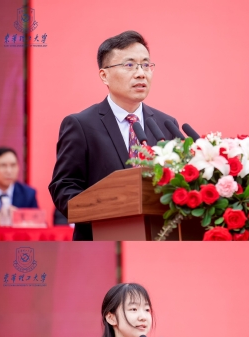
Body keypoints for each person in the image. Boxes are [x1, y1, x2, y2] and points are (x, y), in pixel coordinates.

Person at [49, 31, 179, 241]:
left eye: (146, 65)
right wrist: (105, 212)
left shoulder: (166, 125)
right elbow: (64, 187)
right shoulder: (81, 125)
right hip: (100, 239)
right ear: (104, 75)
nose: (141, 73)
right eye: (129, 65)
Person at [0, 147, 38, 225]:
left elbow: (39, 223)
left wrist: (20, 217)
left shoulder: (28, 194)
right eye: (3, 166)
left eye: (13, 165)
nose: (9, 171)